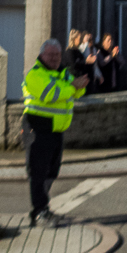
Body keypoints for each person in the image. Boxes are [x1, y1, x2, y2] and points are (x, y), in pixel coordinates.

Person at [22, 38, 89, 226]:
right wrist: (72, 86)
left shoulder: (62, 73)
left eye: (57, 55)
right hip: (37, 127)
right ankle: (39, 211)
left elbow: (78, 93)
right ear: (42, 55)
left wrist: (78, 85)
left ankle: (42, 208)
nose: (54, 58)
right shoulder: (34, 74)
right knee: (38, 172)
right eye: (50, 55)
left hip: (56, 130)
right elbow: (50, 94)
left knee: (52, 171)